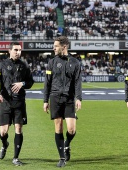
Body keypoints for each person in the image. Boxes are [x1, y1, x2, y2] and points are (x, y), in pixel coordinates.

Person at [43, 36, 82, 167]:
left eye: (56, 46)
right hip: (55, 97)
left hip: (69, 99)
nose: (54, 48)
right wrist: (45, 100)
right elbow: (47, 83)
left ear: (64, 47)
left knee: (71, 129)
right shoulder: (51, 62)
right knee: (58, 127)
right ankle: (61, 158)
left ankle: (67, 145)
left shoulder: (75, 62)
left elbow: (78, 82)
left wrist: (79, 98)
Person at [0, 42, 34, 166]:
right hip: (5, 102)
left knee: (18, 128)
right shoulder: (2, 65)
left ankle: (15, 158)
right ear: (9, 51)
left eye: (20, 50)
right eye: (15, 50)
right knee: (3, 132)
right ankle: (4, 144)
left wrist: (22, 84)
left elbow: (30, 82)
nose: (18, 52)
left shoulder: (24, 65)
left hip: (19, 102)